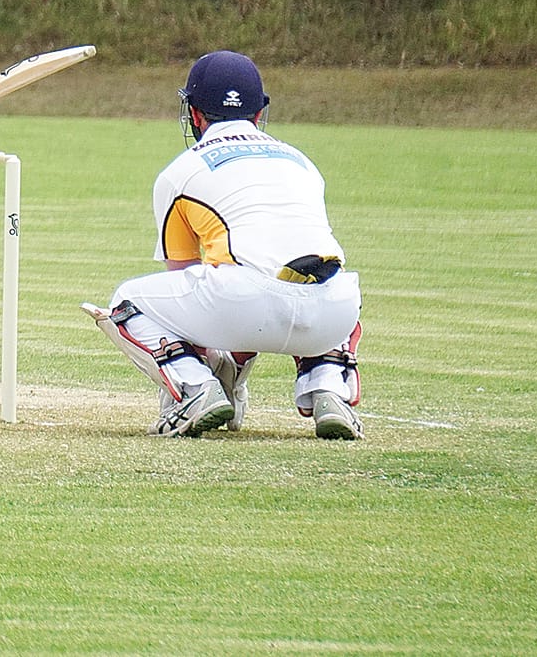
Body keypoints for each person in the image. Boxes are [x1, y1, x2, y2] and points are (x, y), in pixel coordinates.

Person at [85, 51, 364, 439]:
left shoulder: (180, 171)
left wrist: (223, 361)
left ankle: (196, 388)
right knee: (316, 277)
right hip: (336, 312)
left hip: (243, 306)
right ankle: (328, 385)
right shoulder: (302, 161)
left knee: (126, 301)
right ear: (257, 114)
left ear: (195, 115)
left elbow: (184, 282)